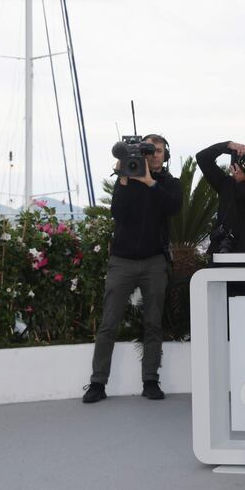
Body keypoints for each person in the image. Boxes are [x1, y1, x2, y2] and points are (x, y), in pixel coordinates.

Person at [82, 134, 182, 404]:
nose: (154, 155)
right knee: (108, 324)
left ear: (165, 154)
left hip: (154, 261)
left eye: (158, 150)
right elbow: (118, 212)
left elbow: (173, 207)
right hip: (122, 261)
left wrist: (150, 183)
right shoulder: (127, 179)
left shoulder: (169, 184)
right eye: (149, 151)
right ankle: (97, 383)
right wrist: (125, 177)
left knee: (153, 323)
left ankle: (150, 380)